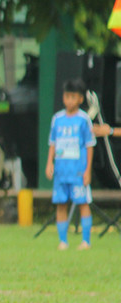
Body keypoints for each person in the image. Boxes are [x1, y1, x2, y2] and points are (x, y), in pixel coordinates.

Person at [45, 78, 96, 250]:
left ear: (80, 99)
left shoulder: (84, 120)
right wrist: (49, 163)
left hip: (78, 172)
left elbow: (89, 146)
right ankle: (63, 241)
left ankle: (86, 241)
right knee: (61, 204)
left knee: (83, 203)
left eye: (73, 97)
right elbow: (52, 143)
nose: (69, 100)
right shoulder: (57, 119)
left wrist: (87, 170)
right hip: (61, 171)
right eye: (67, 96)